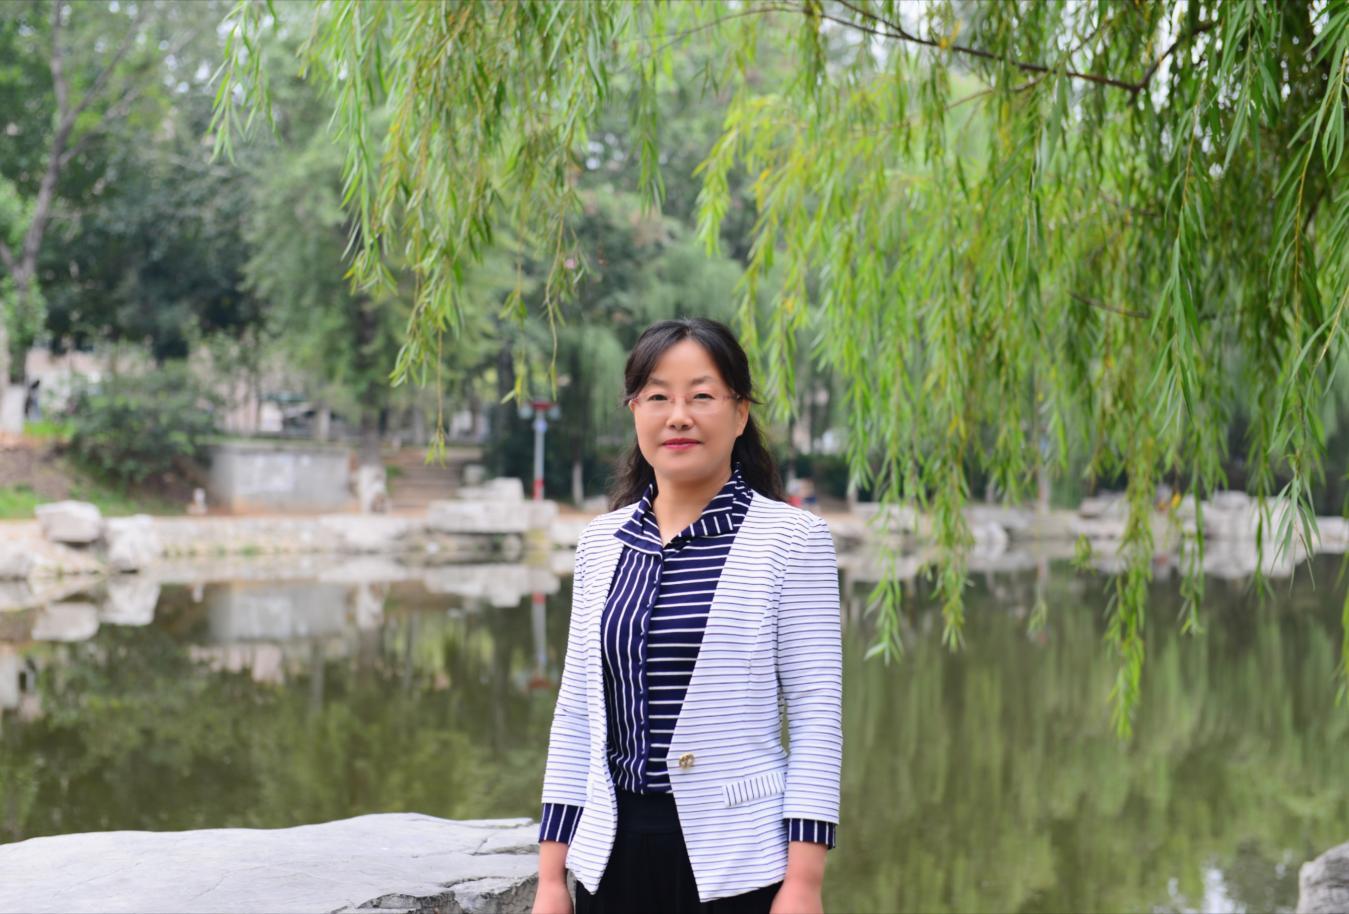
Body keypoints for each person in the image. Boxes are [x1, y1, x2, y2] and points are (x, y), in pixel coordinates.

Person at [532, 318, 843, 914]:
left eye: (701, 396)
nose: (678, 416)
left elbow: (816, 719)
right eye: (658, 397)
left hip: (738, 860)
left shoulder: (791, 540)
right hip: (609, 856)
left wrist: (804, 883)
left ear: (739, 413)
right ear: (634, 410)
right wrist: (550, 878)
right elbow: (574, 715)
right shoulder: (602, 543)